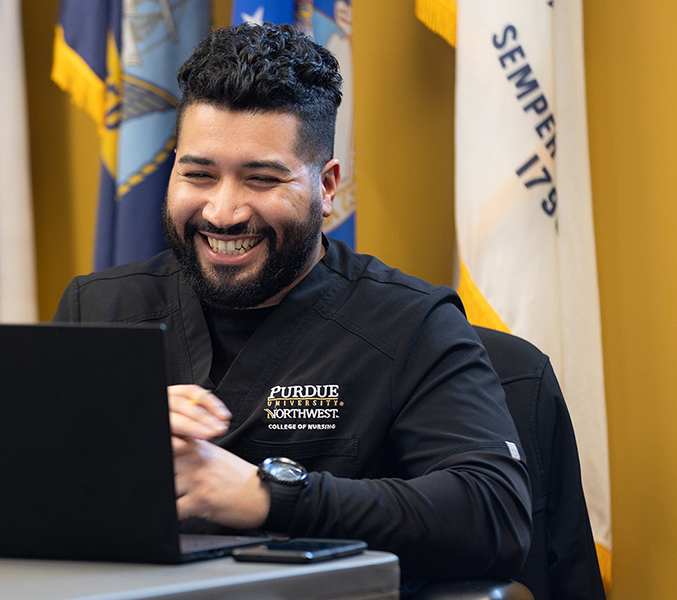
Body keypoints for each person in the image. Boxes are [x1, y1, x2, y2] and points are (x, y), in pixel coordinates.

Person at [53, 22, 531, 584]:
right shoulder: (99, 308)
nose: (223, 212)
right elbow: (12, 491)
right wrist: (105, 439)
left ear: (326, 186)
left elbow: (496, 515)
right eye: (199, 174)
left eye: (260, 179)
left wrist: (268, 496)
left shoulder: (410, 324)